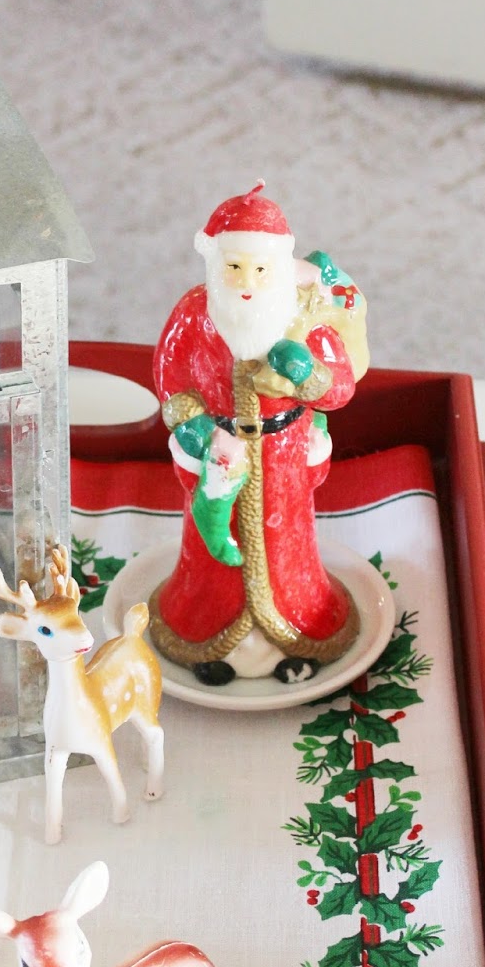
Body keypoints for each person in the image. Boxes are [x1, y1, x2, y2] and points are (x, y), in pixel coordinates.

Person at [151, 182, 369, 685]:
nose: (246, 282)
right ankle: (206, 634)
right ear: (215, 264)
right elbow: (170, 375)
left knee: (286, 544)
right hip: (220, 454)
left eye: (261, 270)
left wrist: (306, 374)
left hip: (284, 456)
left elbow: (339, 385)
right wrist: (196, 428)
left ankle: (295, 633)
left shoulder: (303, 314)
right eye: (234, 267)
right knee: (213, 555)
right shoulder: (194, 314)